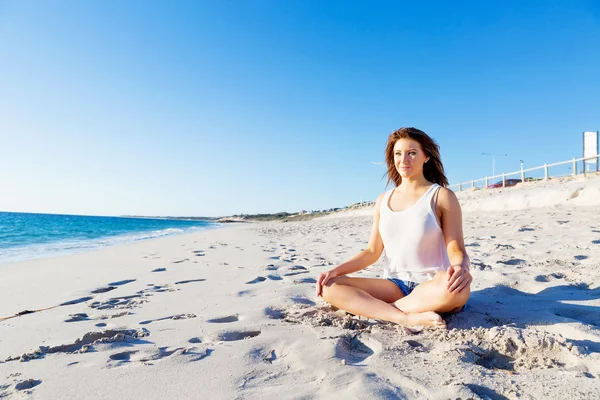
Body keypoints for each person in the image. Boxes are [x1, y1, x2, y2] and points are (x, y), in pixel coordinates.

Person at [316, 127, 471, 328]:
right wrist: (336, 271)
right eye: (398, 154)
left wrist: (461, 268)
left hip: (432, 285)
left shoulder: (441, 196)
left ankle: (377, 309)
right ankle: (404, 317)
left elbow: (456, 248)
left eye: (412, 153)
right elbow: (372, 252)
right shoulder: (383, 200)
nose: (404, 160)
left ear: (426, 157)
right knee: (328, 287)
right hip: (394, 285)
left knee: (456, 289)